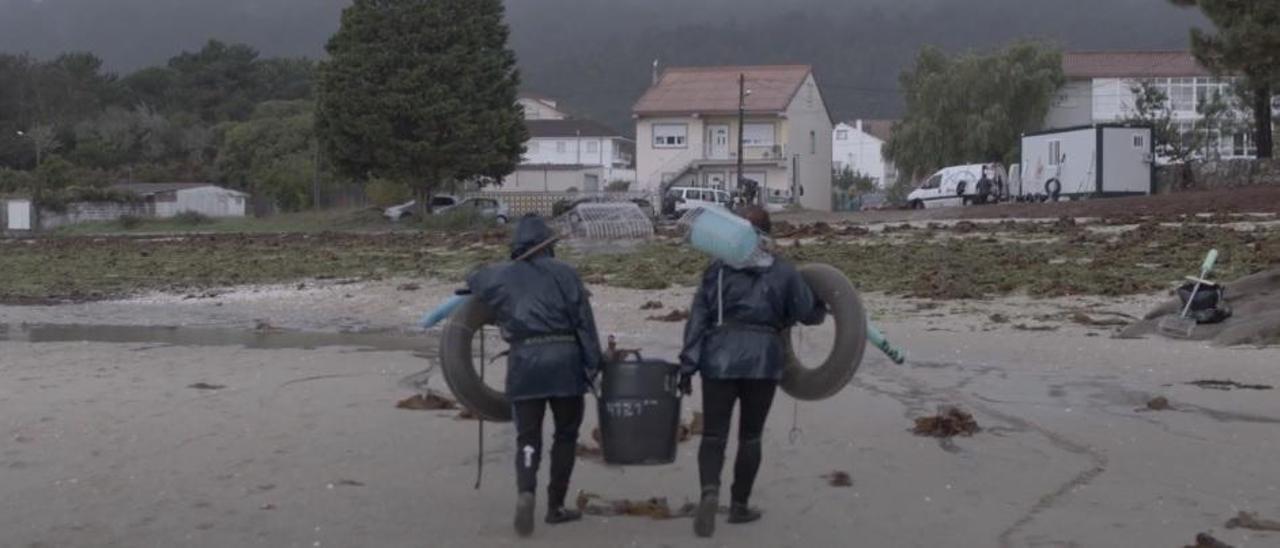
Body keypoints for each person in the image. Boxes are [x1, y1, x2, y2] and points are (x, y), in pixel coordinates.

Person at [678, 205, 827, 538]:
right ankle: (740, 506)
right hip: (763, 361)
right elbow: (807, 312)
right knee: (751, 436)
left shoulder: (715, 272)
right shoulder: (783, 272)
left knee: (714, 435)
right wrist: (822, 304)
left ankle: (709, 493)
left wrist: (687, 366)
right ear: (767, 234)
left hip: (718, 359)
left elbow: (697, 321)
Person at [466, 214, 604, 537]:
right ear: (548, 246)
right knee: (566, 436)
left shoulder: (500, 276)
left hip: (526, 365)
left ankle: (526, 492)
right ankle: (555, 506)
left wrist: (496, 271)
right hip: (565, 364)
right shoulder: (567, 274)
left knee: (528, 439)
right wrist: (594, 365)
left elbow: (472, 276)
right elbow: (585, 324)